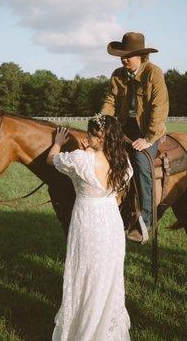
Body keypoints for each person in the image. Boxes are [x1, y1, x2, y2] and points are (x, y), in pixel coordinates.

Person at [47, 114, 133, 341]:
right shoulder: (123, 160)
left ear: (101, 137)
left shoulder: (80, 159)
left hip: (88, 221)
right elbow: (118, 194)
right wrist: (91, 150)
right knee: (107, 277)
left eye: (92, 133)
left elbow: (51, 160)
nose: (87, 136)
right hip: (111, 221)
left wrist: (57, 143)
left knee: (85, 275)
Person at [101, 31, 169, 243]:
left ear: (141, 56)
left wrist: (148, 139)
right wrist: (101, 123)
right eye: (122, 55)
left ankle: (146, 220)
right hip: (124, 127)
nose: (123, 59)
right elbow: (110, 101)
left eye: (128, 55)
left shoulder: (154, 74)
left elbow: (160, 108)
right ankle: (114, 212)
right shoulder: (117, 75)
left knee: (141, 163)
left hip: (148, 129)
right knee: (102, 158)